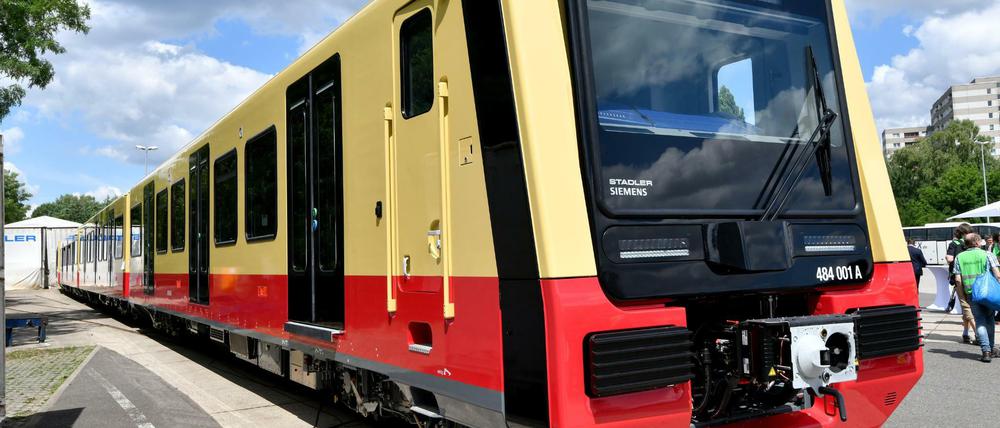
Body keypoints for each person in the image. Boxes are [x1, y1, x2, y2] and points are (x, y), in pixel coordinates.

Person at [953, 233, 1000, 362]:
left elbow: (958, 280)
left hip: (971, 294)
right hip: (988, 293)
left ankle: (986, 351)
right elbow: (997, 274)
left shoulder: (959, 257)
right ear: (978, 242)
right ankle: (990, 348)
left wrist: (963, 297)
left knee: (979, 320)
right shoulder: (987, 254)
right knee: (990, 319)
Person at [946, 223, 977, 344]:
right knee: (969, 308)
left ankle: (978, 334)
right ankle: (965, 333)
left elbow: (949, 259)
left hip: (960, 279)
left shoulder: (954, 244)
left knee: (966, 307)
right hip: (975, 279)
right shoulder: (971, 244)